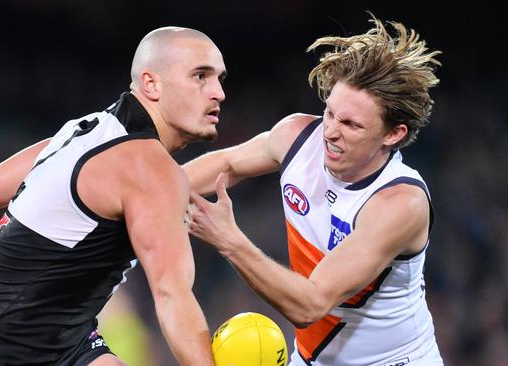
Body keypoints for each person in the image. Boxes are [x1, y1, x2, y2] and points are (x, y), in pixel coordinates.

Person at [0, 26, 225, 365]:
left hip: (36, 341)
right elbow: (172, 295)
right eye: (200, 76)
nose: (218, 92)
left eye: (219, 79)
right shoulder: (152, 169)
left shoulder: (87, 131)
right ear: (152, 84)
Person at [184, 16, 443, 365]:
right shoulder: (297, 137)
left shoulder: (399, 203)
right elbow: (224, 166)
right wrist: (141, 196)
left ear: (393, 134)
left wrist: (229, 239)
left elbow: (310, 305)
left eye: (351, 124)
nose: (331, 132)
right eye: (330, 113)